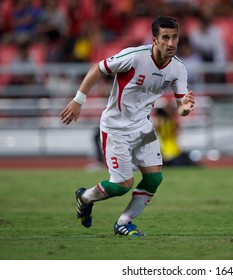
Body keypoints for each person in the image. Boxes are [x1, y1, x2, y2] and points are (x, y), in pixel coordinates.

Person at [60, 16, 195, 236]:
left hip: (143, 127)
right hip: (116, 129)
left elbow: (181, 108)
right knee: (122, 186)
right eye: (165, 38)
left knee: (154, 178)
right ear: (154, 39)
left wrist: (186, 108)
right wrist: (78, 101)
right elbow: (98, 68)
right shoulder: (134, 57)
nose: (171, 43)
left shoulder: (178, 69)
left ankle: (124, 222)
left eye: (175, 37)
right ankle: (85, 197)